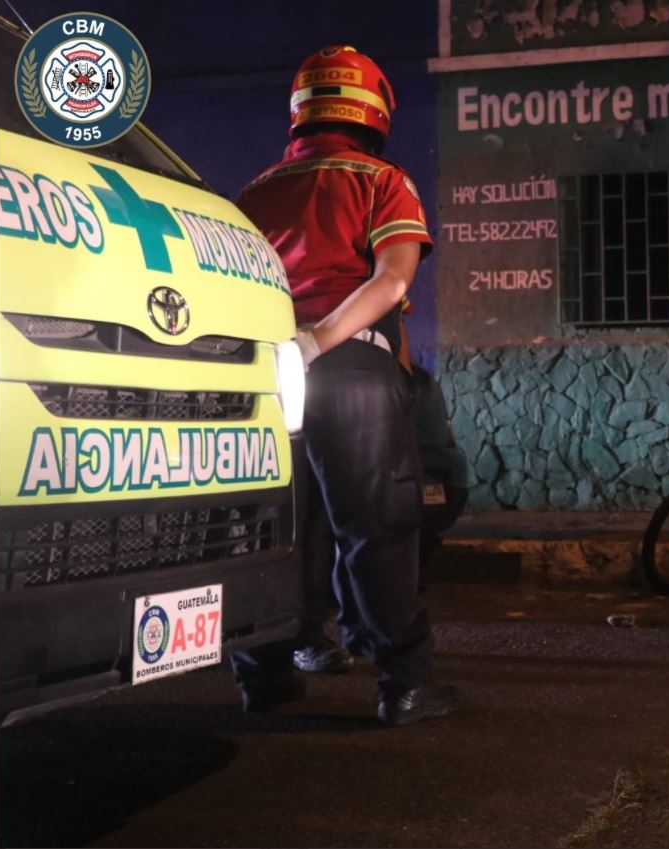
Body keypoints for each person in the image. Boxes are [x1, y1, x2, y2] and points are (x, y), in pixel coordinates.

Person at [233, 45, 455, 725]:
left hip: (266, 375)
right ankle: (403, 685)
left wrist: (290, 347)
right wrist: (321, 340)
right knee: (378, 528)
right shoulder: (383, 181)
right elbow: (392, 280)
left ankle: (266, 679)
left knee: (274, 531)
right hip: (350, 367)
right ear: (374, 107)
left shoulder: (255, 192)